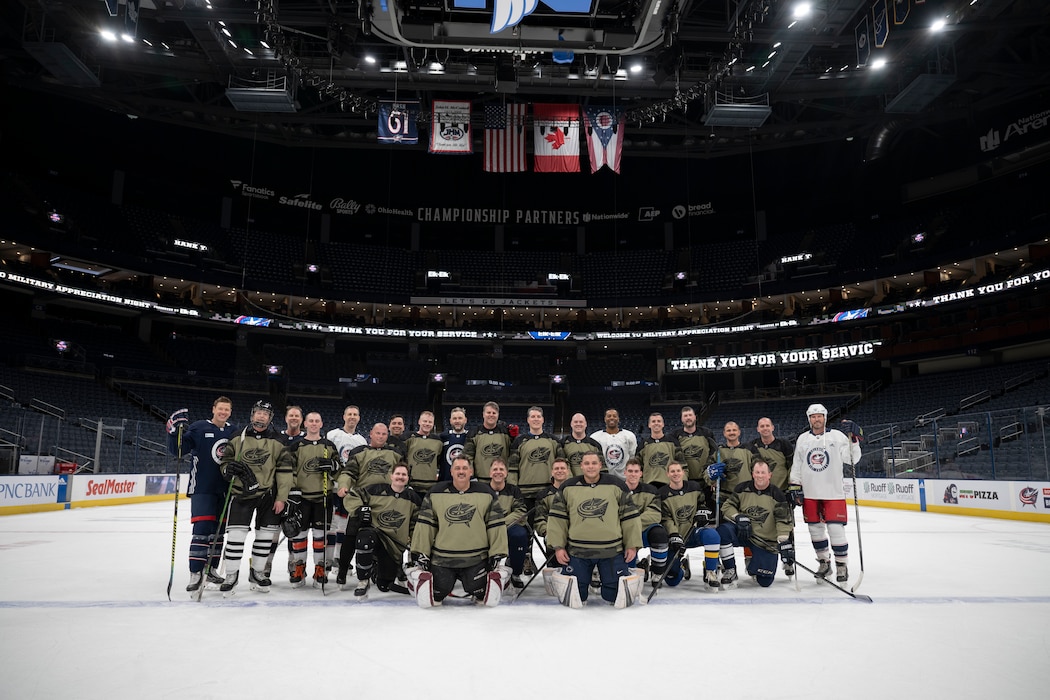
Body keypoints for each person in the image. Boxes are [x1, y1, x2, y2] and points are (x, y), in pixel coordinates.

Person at [408, 455, 510, 606]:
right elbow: (425, 526)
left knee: (483, 596)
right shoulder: (435, 493)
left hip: (476, 558)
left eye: (464, 468)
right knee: (435, 597)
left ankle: (497, 579)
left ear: (471, 471)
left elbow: (496, 525)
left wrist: (497, 554)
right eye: (457, 468)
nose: (461, 471)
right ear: (451, 471)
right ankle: (414, 578)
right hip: (443, 559)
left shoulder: (486, 493)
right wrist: (421, 553)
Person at [216, 400, 295, 594]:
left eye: (265, 413)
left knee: (265, 536)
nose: (261, 416)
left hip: (268, 495)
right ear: (252, 415)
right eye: (258, 412)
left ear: (270, 418)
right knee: (236, 536)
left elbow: (285, 471)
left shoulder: (279, 440)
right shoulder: (237, 436)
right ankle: (231, 575)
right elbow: (225, 462)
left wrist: (282, 498)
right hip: (242, 493)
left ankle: (258, 572)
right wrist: (227, 470)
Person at [545, 452, 643, 607]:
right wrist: (558, 546)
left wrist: (632, 545)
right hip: (578, 551)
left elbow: (629, 517)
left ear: (600, 465)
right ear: (581, 466)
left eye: (594, 463)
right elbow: (557, 519)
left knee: (614, 596)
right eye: (587, 463)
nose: (590, 466)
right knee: (577, 597)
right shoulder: (567, 487)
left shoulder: (617, 485)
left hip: (612, 550)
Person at [165, 396, 236, 595]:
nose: (223, 412)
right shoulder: (198, 427)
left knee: (219, 531)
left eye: (227, 410)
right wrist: (174, 432)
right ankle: (195, 572)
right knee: (202, 529)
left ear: (230, 412)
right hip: (202, 488)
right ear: (213, 409)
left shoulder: (233, 431)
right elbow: (178, 450)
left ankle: (212, 569)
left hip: (225, 488)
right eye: (220, 408)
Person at [789, 404, 863, 582]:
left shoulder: (837, 436)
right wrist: (795, 485)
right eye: (813, 416)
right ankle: (824, 563)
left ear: (825, 417)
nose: (817, 419)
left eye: (820, 416)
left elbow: (852, 459)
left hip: (833, 492)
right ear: (809, 419)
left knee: (836, 530)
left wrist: (854, 440)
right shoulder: (803, 439)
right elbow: (797, 464)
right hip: (810, 493)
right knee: (815, 530)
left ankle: (841, 566)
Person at [338, 462, 422, 597]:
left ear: (408, 478)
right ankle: (363, 581)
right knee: (364, 540)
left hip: (393, 546)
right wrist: (359, 508)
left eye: (404, 474)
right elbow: (353, 495)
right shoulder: (376, 490)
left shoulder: (413, 498)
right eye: (398, 474)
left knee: (384, 585)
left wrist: (414, 543)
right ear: (391, 476)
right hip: (375, 535)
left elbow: (415, 525)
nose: (400, 477)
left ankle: (377, 571)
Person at [283, 412, 341, 588]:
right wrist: (292, 491)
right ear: (305, 424)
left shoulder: (328, 446)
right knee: (299, 535)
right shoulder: (296, 446)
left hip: (323, 497)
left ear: (321, 423)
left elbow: (340, 470)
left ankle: (320, 568)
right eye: (311, 421)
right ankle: (299, 567)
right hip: (302, 498)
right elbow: (289, 470)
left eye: (317, 421)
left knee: (320, 535)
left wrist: (333, 466)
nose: (314, 424)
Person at [716, 460, 794, 588]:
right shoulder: (742, 488)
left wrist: (783, 540)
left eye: (763, 472)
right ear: (752, 474)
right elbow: (727, 506)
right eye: (757, 472)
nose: (760, 476)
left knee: (764, 581)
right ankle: (730, 569)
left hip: (764, 541)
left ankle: (755, 564)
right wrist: (738, 517)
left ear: (770, 475)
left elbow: (783, 520)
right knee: (723, 531)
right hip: (743, 532)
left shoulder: (777, 494)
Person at [658, 461, 721, 589]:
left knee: (712, 535)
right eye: (672, 471)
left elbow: (703, 503)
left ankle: (710, 571)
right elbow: (665, 518)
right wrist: (674, 534)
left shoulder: (694, 487)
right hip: (675, 538)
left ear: (683, 472)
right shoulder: (662, 494)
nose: (676, 474)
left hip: (693, 533)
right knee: (672, 580)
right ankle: (682, 565)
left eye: (678, 470)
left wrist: (703, 512)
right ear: (667, 474)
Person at [749, 416, 796, 576]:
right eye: (761, 426)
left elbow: (792, 467)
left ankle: (789, 560)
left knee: (786, 527)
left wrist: (793, 487)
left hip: (781, 493)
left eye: (767, 425)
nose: (765, 428)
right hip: (762, 494)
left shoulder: (784, 444)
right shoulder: (753, 446)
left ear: (772, 427)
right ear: (758, 429)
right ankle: (754, 559)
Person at [325, 405, 367, 567]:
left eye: (355, 414)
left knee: (344, 523)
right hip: (333, 486)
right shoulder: (333, 435)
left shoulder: (361, 441)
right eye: (349, 414)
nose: (352, 417)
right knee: (333, 523)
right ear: (344, 416)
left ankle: (339, 556)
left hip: (350, 488)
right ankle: (328, 558)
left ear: (358, 418)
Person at [621, 457, 670, 585]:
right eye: (630, 471)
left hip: (643, 531)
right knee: (627, 570)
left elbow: (654, 515)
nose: (633, 474)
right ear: (624, 472)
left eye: (636, 471)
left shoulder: (651, 490)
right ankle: (636, 565)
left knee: (659, 532)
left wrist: (631, 522)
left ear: (641, 473)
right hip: (623, 534)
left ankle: (657, 572)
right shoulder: (617, 490)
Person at [488, 458, 529, 588]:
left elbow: (520, 511)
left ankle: (515, 572)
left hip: (509, 525)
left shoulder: (514, 490)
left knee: (519, 535)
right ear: (490, 473)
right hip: (487, 526)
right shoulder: (482, 490)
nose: (498, 472)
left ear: (506, 473)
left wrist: (501, 524)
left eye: (501, 469)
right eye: (495, 469)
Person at [336, 423, 405, 494]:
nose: (381, 436)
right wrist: (343, 485)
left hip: (389, 497)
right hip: (364, 496)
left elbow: (403, 474)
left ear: (387, 436)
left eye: (384, 434)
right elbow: (348, 473)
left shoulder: (396, 454)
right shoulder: (358, 452)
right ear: (371, 434)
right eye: (378, 433)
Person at [533, 457, 573, 565]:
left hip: (575, 535)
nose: (559, 471)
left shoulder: (577, 491)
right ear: (552, 472)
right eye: (556, 468)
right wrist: (547, 533)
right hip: (553, 536)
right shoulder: (543, 495)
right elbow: (539, 519)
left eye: (562, 468)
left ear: (568, 471)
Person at [463, 401, 512, 485]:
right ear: (483, 414)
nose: (491, 415)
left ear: (498, 415)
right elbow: (468, 457)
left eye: (494, 413)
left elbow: (513, 455)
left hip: (502, 481)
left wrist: (514, 437)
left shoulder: (506, 433)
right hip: (480, 481)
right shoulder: (473, 433)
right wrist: (471, 476)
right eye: (488, 412)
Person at [706, 421, 754, 505]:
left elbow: (758, 468)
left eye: (734, 430)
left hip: (745, 495)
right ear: (724, 433)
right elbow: (706, 470)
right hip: (723, 496)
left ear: (739, 432)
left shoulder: (750, 450)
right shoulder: (717, 452)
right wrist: (711, 479)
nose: (731, 432)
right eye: (728, 430)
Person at [635, 412, 685, 488]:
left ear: (663, 424)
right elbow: (637, 467)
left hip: (669, 485)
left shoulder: (673, 442)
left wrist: (682, 482)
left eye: (659, 421)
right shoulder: (643, 445)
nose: (656, 423)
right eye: (653, 421)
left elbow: (682, 464)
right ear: (649, 425)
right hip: (649, 486)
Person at [672, 406, 718, 485]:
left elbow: (713, 454)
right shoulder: (675, 435)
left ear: (695, 417)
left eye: (690, 415)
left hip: (705, 481)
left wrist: (712, 478)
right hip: (686, 481)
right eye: (685, 416)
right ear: (682, 419)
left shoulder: (706, 433)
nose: (688, 418)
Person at [589, 407, 637, 481]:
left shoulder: (629, 436)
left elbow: (632, 457)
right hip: (603, 478)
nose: (612, 418)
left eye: (614, 416)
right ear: (605, 419)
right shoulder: (595, 437)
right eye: (609, 416)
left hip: (624, 478)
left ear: (618, 419)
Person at [404, 410, 444, 494]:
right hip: (412, 484)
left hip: (431, 485)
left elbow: (439, 461)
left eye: (430, 422)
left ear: (433, 424)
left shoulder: (438, 441)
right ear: (419, 421)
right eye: (425, 421)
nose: (427, 424)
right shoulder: (409, 438)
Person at [559, 413, 605, 477]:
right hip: (570, 484)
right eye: (575, 422)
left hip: (590, 483)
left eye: (581, 422)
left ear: (585, 424)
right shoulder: (562, 444)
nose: (578, 424)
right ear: (571, 424)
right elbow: (560, 466)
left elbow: (602, 468)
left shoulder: (595, 445)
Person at [439, 406, 469, 483]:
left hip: (465, 481)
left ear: (465, 420)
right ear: (450, 421)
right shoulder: (442, 437)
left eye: (460, 418)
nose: (457, 421)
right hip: (445, 481)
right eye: (454, 418)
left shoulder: (471, 437)